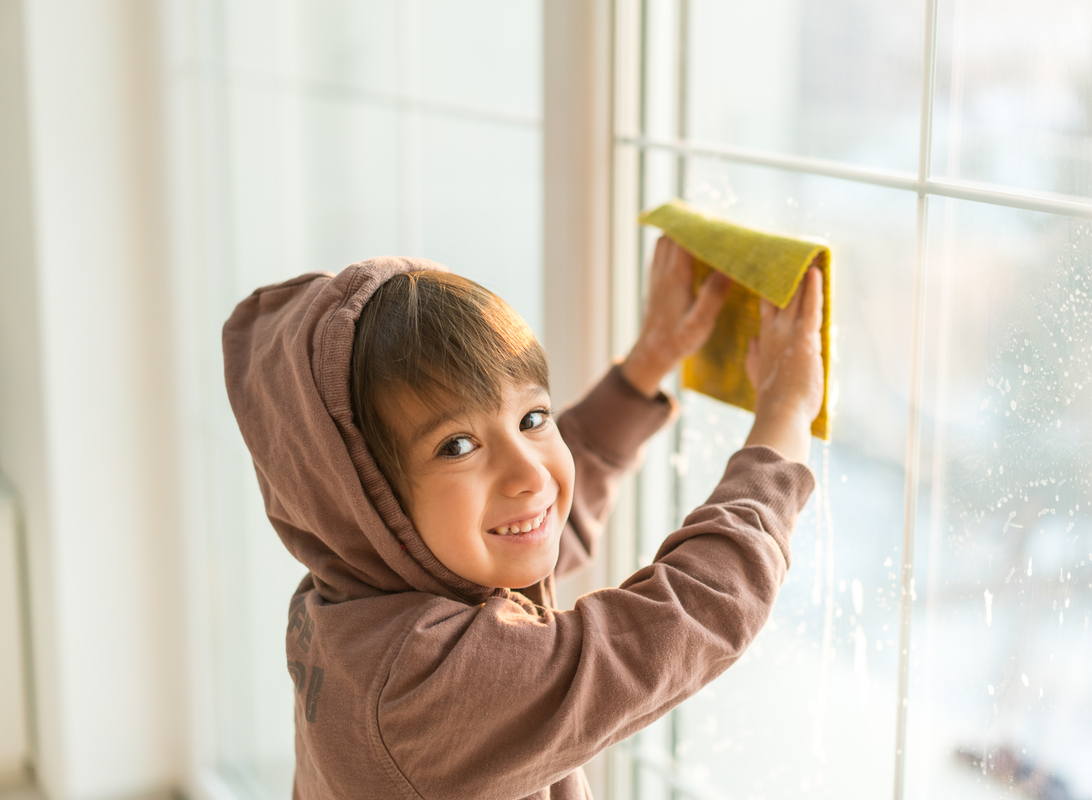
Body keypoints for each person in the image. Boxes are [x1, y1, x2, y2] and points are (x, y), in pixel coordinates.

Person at [222, 236, 824, 800]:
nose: (530, 475)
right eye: (457, 446)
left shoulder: (352, 590)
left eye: (534, 418)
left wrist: (649, 360)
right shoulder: (422, 686)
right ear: (359, 499)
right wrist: (786, 415)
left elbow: (535, 524)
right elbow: (683, 620)